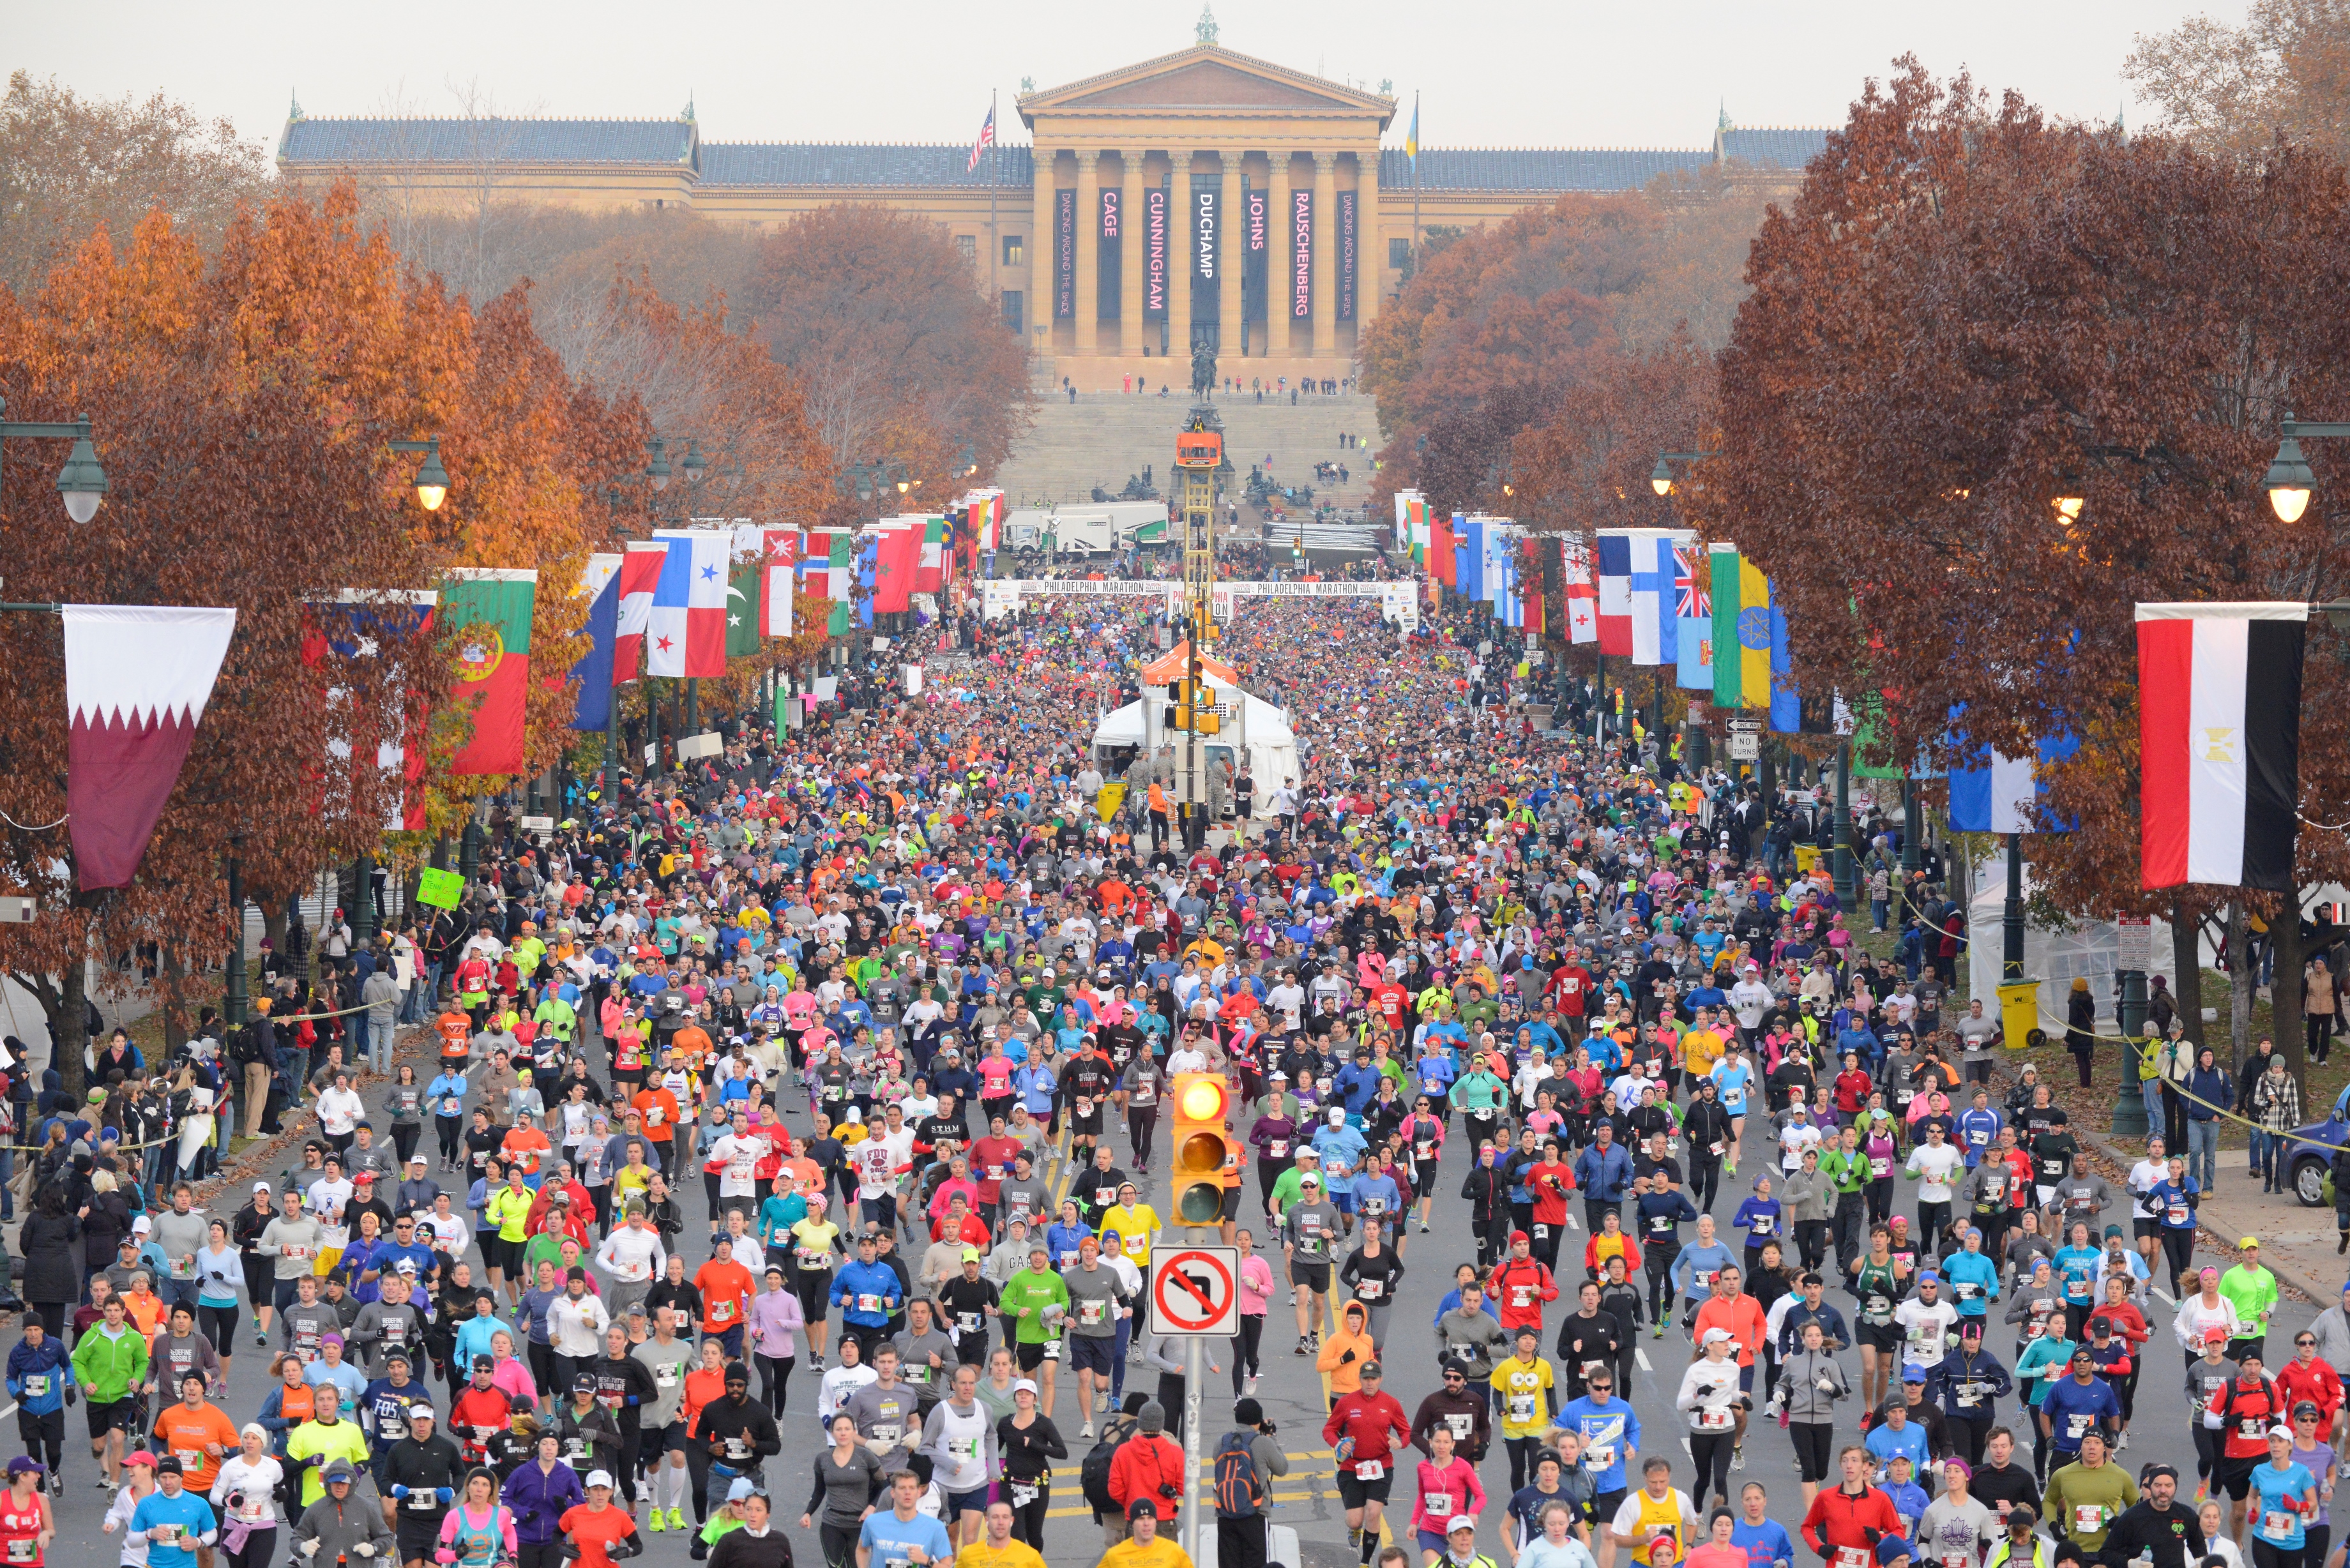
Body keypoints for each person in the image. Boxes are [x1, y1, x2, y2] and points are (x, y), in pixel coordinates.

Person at [805, 1412, 885, 1568]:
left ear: (854, 1431)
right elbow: (819, 1491)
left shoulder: (866, 1457)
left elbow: (884, 1485)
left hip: (859, 1525)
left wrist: (872, 1506)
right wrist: (808, 1513)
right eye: (839, 1429)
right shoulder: (822, 1459)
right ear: (832, 1432)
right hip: (832, 1523)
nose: (843, 1433)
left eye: (847, 1429)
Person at [291, 1459, 395, 1564]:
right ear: (328, 1483)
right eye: (335, 1482)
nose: (339, 1487)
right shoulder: (315, 1509)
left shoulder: (366, 1508)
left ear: (351, 1484)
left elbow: (386, 1537)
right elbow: (297, 1538)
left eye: (344, 1483)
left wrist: (373, 1548)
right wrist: (302, 1547)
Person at [857, 1468, 953, 1568]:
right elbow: (862, 1550)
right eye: (902, 1488)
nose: (907, 1492)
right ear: (892, 1493)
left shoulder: (935, 1527)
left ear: (919, 1493)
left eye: (912, 1488)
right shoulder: (873, 1522)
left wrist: (926, 1560)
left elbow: (947, 1566)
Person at [0, 1459, 52, 1568]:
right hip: (5, 1562)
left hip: (34, 1563)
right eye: (35, 1472)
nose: (39, 1476)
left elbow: (51, 1530)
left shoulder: (41, 1500)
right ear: (22, 1476)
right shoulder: (2, 1500)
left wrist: (46, 1533)